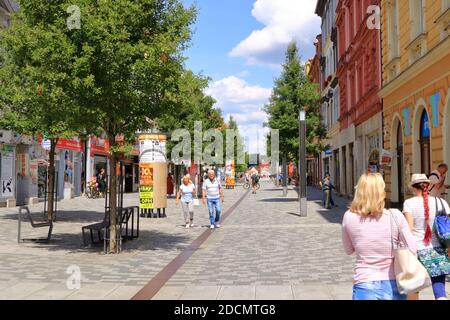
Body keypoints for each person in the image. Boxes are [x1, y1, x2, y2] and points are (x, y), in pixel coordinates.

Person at [342, 173, 418, 300]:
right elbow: (413, 248)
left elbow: (348, 250)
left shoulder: (349, 216)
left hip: (364, 282)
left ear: (359, 191)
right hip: (393, 282)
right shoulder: (395, 215)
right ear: (381, 192)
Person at [403, 173, 450, 300]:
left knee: (414, 288)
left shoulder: (409, 203)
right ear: (428, 186)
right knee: (439, 289)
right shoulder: (442, 202)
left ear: (413, 187)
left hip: (417, 251)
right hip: (439, 250)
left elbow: (409, 229)